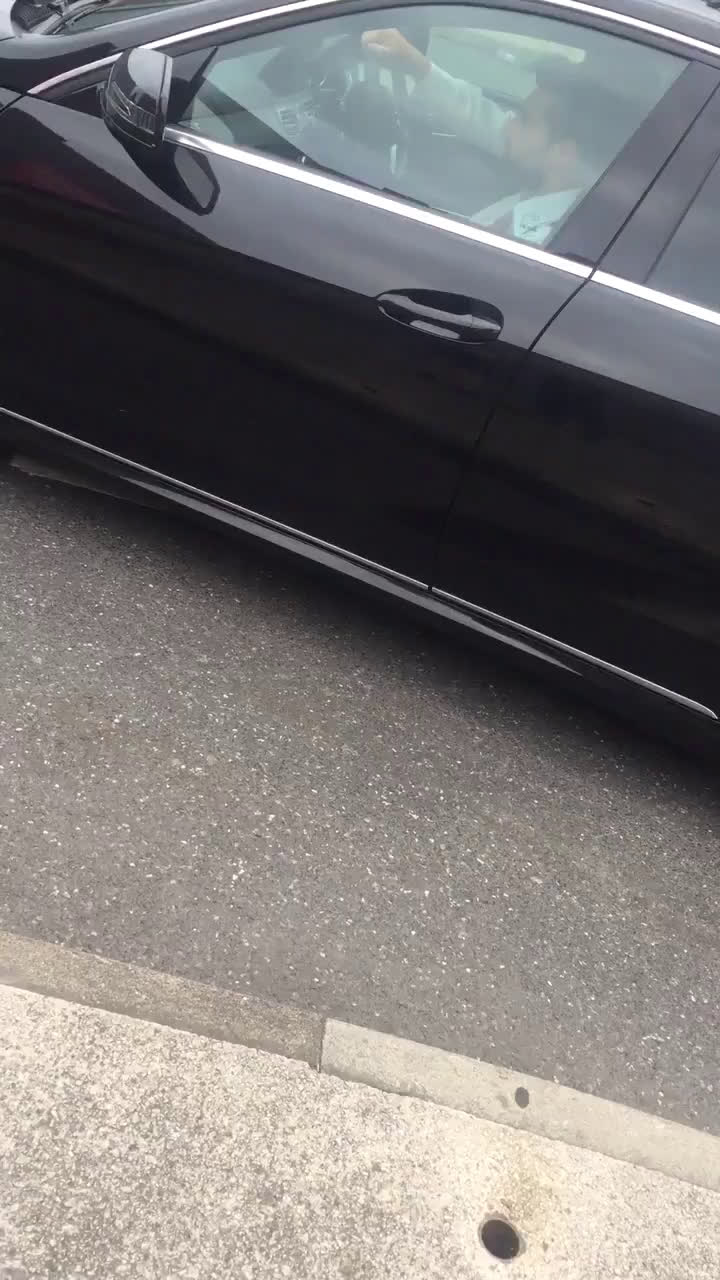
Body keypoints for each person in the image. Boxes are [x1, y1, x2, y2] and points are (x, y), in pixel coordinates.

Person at [361, 27, 612, 244]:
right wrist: (416, 65)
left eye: (524, 120)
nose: (509, 123)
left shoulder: (535, 241)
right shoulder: (535, 201)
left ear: (563, 154)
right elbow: (478, 115)